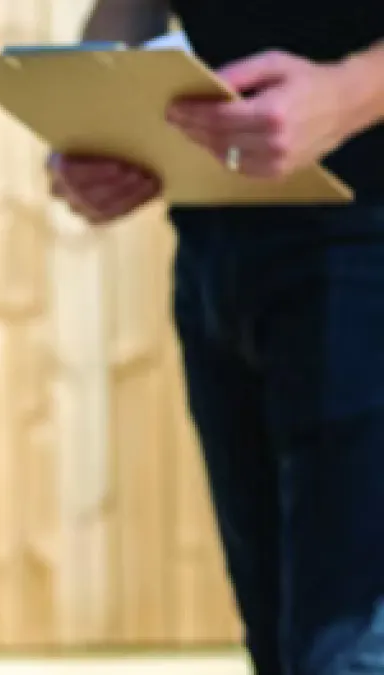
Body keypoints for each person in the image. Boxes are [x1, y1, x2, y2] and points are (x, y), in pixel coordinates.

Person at [49, 1, 384, 674]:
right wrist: (92, 127)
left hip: (368, 238)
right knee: (279, 638)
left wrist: (351, 92)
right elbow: (128, 10)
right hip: (217, 244)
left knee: (347, 650)